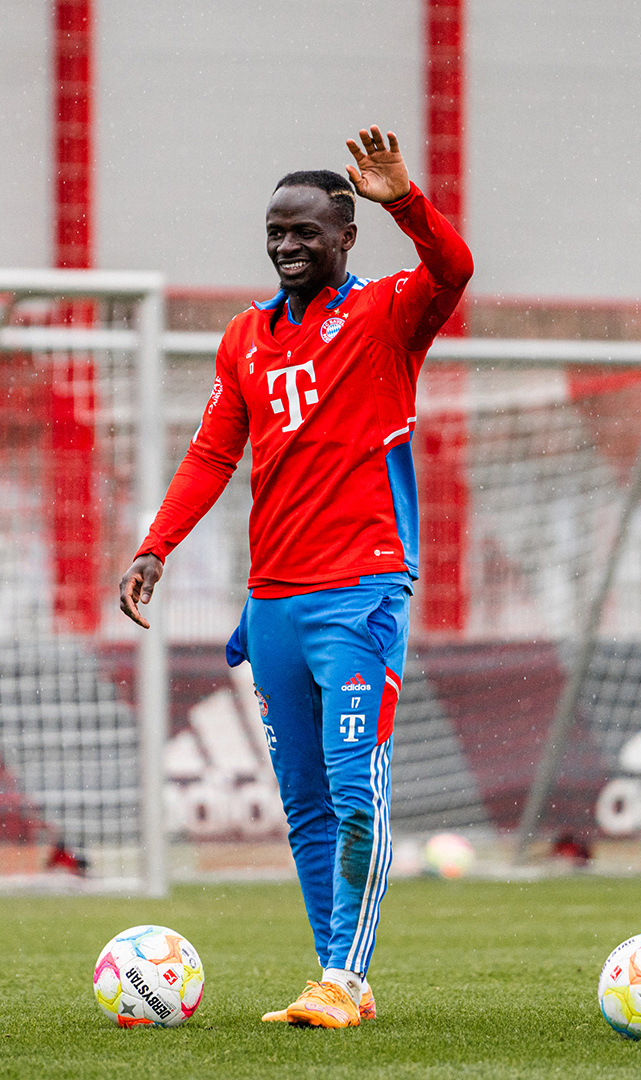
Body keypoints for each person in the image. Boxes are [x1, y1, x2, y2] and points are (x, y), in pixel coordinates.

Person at [118, 126, 471, 1029]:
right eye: (275, 230)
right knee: (307, 806)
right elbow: (211, 453)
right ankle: (332, 971)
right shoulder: (246, 336)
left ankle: (346, 982)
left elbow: (455, 269)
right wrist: (156, 546)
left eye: (305, 231)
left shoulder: (390, 314)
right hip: (273, 602)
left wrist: (405, 199)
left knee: (357, 791)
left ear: (345, 237)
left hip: (360, 593)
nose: (285, 245)